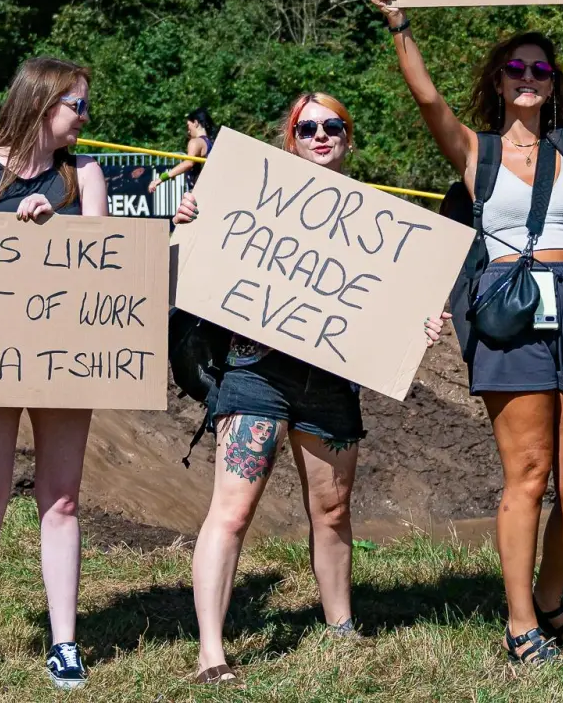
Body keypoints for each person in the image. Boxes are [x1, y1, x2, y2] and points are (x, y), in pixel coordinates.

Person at [369, 0, 563, 665]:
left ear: (552, 84)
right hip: (510, 310)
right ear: (499, 83)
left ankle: (553, 600)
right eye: (516, 69)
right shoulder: (476, 153)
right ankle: (522, 622)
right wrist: (399, 21)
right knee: (528, 476)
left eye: (540, 70)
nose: (528, 78)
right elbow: (427, 97)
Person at [173, 92, 446, 685]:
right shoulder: (246, 193)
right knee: (232, 511)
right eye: (307, 128)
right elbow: (194, 261)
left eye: (333, 126)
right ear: (289, 138)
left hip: (330, 383)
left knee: (333, 510)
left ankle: (341, 629)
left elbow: (397, 306)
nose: (321, 135)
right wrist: (189, 223)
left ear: (349, 136)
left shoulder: (382, 224)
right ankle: (211, 653)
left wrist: (420, 325)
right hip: (255, 376)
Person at [0, 57, 107, 689]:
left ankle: (64, 643)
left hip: (64, 358)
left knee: (61, 500)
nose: (85, 117)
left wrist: (56, 229)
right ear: (42, 102)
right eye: (77, 105)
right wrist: (6, 228)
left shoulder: (84, 175)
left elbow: (104, 260)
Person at [149, 108, 217, 193]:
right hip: (208, 190)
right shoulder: (211, 143)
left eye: (188, 126)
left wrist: (161, 178)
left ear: (195, 123)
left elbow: (188, 163)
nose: (188, 131)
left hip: (198, 193)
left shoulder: (195, 142)